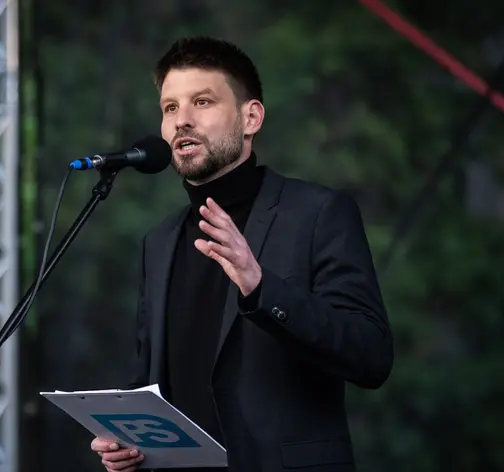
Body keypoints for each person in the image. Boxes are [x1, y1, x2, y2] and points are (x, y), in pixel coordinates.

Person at [90, 36, 394, 472]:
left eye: (203, 101)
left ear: (251, 117)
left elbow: (371, 356)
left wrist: (261, 287)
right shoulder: (159, 242)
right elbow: (153, 379)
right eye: (170, 108)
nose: (182, 121)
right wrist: (129, 440)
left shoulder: (317, 213)